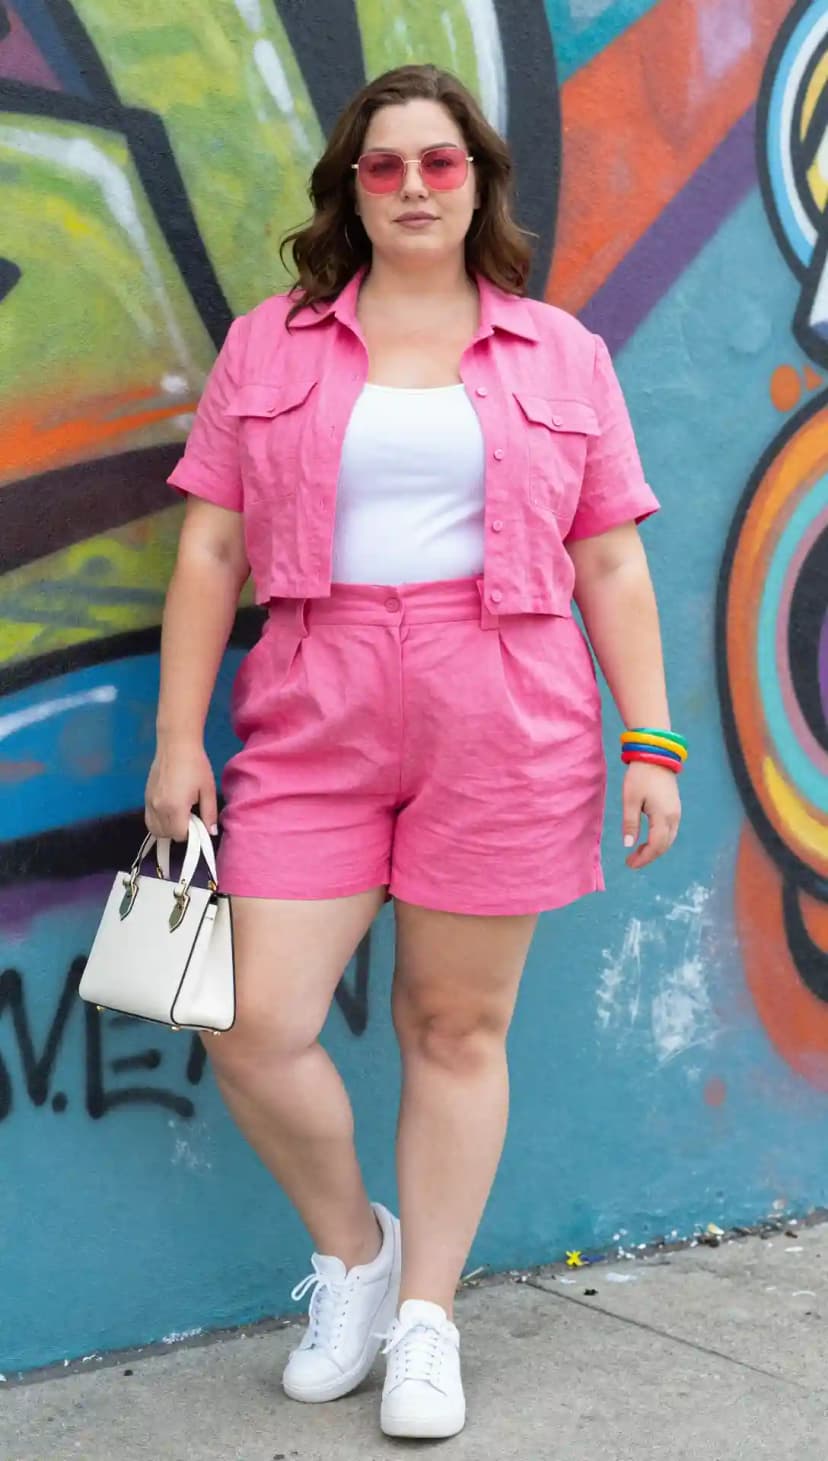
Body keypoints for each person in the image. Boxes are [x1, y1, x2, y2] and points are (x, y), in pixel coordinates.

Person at [145, 62, 681, 1442]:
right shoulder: (274, 343)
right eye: (384, 168)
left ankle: (429, 1317)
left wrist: (653, 738)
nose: (413, 189)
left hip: (506, 698)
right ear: (350, 190)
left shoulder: (562, 356)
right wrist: (176, 737)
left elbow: (611, 562)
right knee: (253, 1018)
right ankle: (356, 1256)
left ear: (480, 182)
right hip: (313, 698)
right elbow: (210, 545)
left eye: (440, 164)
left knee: (454, 1025)